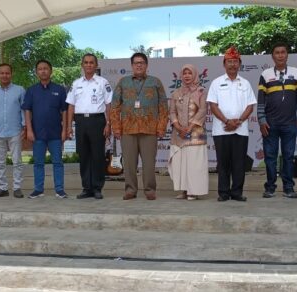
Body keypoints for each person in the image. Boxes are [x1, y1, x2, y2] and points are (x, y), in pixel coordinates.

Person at [110, 52, 168, 200]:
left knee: (149, 163)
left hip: (150, 129)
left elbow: (163, 106)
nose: (139, 65)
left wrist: (161, 127)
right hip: (127, 129)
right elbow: (115, 106)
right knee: (129, 163)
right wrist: (116, 127)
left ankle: (149, 190)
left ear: (146, 65)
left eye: (142, 62)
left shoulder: (155, 82)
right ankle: (130, 190)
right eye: (136, 63)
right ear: (132, 66)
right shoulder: (123, 82)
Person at [207, 47, 257, 202]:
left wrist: (238, 122)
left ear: (240, 64)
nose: (232, 65)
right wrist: (227, 121)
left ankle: (237, 192)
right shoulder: (216, 83)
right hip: (221, 130)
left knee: (239, 163)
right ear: (224, 64)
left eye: (235, 61)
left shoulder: (246, 83)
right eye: (229, 61)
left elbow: (250, 106)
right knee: (223, 164)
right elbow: (213, 106)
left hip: (240, 130)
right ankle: (223, 193)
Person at [257, 42, 297, 199]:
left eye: (283, 52)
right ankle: (270, 187)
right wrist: (261, 120)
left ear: (287, 55)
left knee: (288, 156)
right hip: (270, 123)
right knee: (270, 157)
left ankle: (288, 187)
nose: (280, 55)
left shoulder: (296, 73)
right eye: (277, 52)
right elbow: (260, 102)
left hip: (290, 123)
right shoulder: (265, 75)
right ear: (272, 56)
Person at [66, 53, 113, 200]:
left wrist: (108, 123)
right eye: (86, 62)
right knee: (84, 156)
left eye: (91, 62)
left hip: (97, 121)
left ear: (96, 65)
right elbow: (71, 106)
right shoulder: (76, 83)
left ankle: (97, 188)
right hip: (80, 122)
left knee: (98, 156)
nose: (88, 65)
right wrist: (69, 126)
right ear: (82, 65)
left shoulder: (103, 82)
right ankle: (86, 188)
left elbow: (108, 104)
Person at [23, 60, 69, 199]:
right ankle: (38, 189)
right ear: (37, 72)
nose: (43, 71)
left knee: (58, 163)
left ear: (51, 71)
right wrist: (29, 130)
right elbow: (27, 111)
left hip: (55, 133)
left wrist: (64, 130)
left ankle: (60, 189)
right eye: (40, 69)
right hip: (37, 134)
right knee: (38, 163)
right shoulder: (31, 90)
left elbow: (64, 111)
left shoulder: (59, 89)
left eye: (46, 68)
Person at [0, 63, 26, 198]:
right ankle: (2, 188)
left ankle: (17, 187)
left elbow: (24, 110)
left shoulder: (20, 90)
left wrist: (24, 127)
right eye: (2, 73)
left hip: (15, 131)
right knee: (0, 162)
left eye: (7, 73)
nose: (4, 75)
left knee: (17, 161)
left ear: (11, 74)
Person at [168, 64, 209, 200]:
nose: (186, 76)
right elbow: (172, 111)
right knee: (180, 162)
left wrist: (190, 127)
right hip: (179, 133)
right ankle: (184, 190)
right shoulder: (176, 93)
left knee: (194, 163)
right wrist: (178, 126)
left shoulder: (201, 91)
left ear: (195, 75)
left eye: (189, 73)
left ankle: (193, 191)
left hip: (196, 132)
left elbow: (203, 110)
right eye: (184, 73)